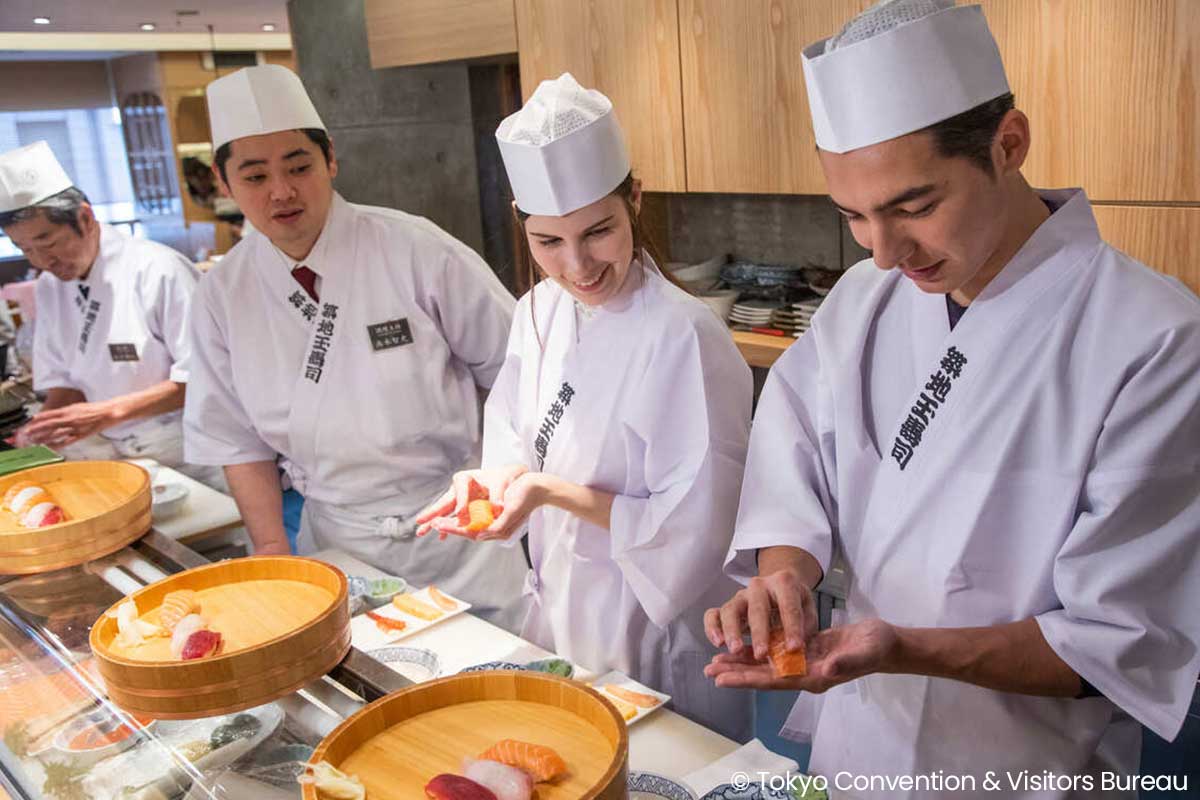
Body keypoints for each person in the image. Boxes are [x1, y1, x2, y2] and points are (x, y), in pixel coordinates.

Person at [705, 1, 1200, 796]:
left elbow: (1113, 642)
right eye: (855, 216)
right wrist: (785, 577)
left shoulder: (1154, 340)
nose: (884, 251)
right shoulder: (861, 303)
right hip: (858, 740)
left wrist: (900, 647)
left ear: (1009, 144)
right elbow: (793, 463)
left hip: (1025, 765)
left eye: (914, 207)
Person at [417, 73, 755, 741]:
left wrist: (548, 493)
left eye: (598, 231)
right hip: (560, 603)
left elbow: (694, 534)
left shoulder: (683, 333)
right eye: (548, 243)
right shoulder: (537, 310)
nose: (577, 265)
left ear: (634, 198)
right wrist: (492, 483)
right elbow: (514, 438)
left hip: (654, 629)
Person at [183, 65, 527, 630]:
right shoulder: (223, 293)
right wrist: (272, 548)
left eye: (299, 167)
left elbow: (516, 374)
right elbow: (235, 437)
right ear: (224, 184)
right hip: (339, 543)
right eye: (254, 176)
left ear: (330, 160)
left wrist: (499, 486)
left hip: (459, 533)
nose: (282, 191)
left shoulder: (415, 249)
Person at [0, 141, 223, 489]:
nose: (41, 261)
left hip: (188, 455)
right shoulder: (49, 287)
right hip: (111, 453)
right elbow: (65, 382)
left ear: (85, 218)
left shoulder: (157, 270)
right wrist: (43, 427)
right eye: (25, 249)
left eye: (48, 243)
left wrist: (106, 412)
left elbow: (205, 377)